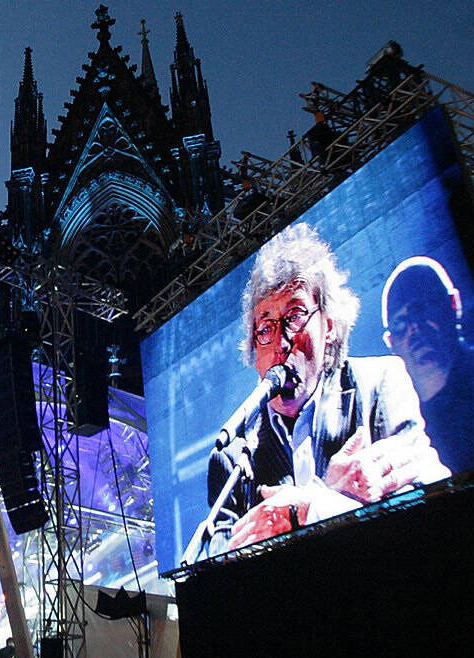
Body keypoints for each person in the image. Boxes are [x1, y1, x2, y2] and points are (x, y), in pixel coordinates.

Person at [189, 222, 448, 562]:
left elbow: (439, 499)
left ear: (327, 327)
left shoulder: (380, 382)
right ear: (253, 352)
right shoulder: (233, 456)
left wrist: (311, 508)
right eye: (265, 328)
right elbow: (219, 562)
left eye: (294, 316)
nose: (280, 342)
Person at [380, 256, 474, 474]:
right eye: (400, 324)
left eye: (421, 311)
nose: (414, 330)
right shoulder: (399, 430)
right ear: (391, 343)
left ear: (453, 304)